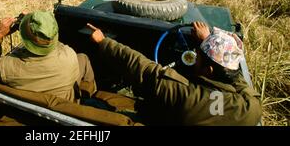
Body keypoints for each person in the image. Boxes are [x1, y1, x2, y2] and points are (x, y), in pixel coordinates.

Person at [86, 21, 262, 125]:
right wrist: (208, 42)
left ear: (208, 71)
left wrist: (104, 42)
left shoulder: (186, 97)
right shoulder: (252, 108)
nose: (195, 58)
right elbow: (237, 80)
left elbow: (142, 68)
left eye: (198, 57)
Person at [0, 11, 96, 102]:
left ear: (25, 38)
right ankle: (90, 93)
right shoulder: (69, 55)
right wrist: (42, 27)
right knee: (83, 58)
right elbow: (55, 45)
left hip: (33, 106)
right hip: (66, 105)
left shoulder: (9, 67)